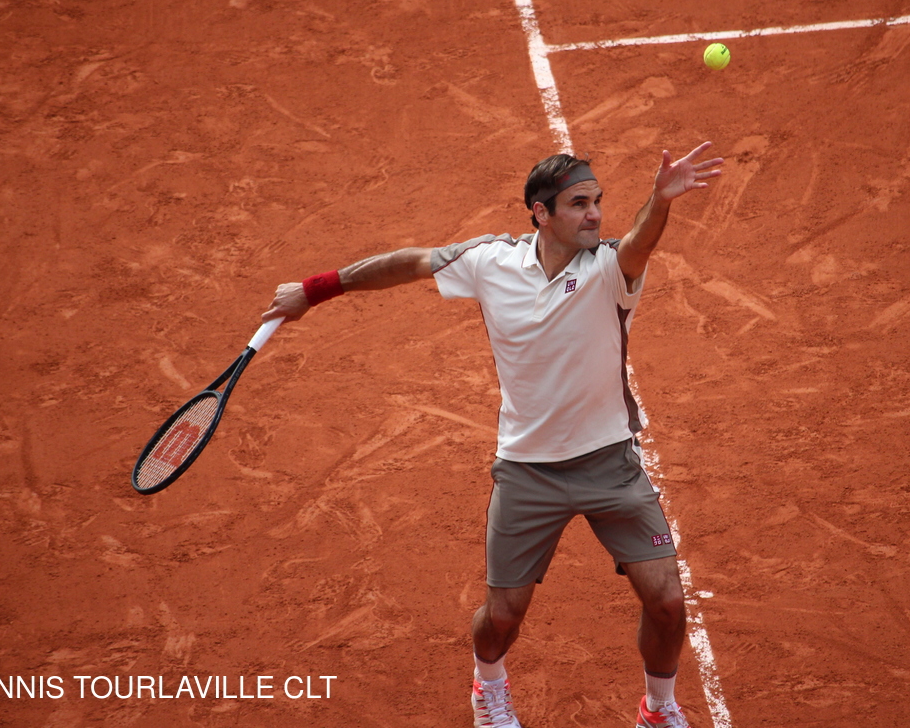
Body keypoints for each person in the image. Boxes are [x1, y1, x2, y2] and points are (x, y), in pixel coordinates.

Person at [263, 142, 724, 728]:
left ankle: (658, 710)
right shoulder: (489, 261)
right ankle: (489, 688)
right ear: (541, 213)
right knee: (502, 616)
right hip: (528, 471)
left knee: (667, 603)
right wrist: (315, 289)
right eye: (579, 204)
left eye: (598, 202)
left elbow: (640, 242)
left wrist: (660, 200)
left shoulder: (610, 268)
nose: (594, 215)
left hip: (610, 465)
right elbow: (411, 262)